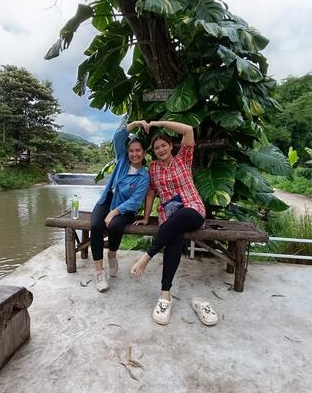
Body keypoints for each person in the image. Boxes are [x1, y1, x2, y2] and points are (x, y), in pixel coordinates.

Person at [131, 120, 217, 326]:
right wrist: (146, 217)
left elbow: (188, 129)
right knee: (174, 235)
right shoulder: (153, 168)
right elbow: (151, 192)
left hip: (192, 210)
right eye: (156, 148)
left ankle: (147, 256)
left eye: (164, 145)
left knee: (181, 216)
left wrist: (156, 123)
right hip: (169, 217)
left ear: (171, 146)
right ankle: (165, 294)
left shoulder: (183, 158)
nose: (160, 150)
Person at [91, 119, 149, 292]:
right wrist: (137, 123)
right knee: (95, 226)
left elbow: (135, 201)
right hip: (107, 200)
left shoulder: (144, 176)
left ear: (144, 153)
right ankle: (99, 272)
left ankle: (112, 253)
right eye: (131, 150)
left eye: (138, 150)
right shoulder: (122, 160)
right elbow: (118, 136)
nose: (134, 154)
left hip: (126, 209)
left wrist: (113, 213)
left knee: (115, 225)